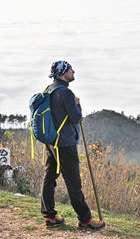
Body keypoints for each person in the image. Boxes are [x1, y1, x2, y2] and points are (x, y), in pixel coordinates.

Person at [41, 60, 105, 230]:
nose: (73, 71)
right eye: (70, 69)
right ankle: (85, 221)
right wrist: (78, 104)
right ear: (63, 72)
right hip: (66, 144)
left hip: (51, 142)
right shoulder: (66, 93)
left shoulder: (49, 89)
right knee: (74, 183)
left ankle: (50, 217)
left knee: (49, 178)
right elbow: (76, 118)